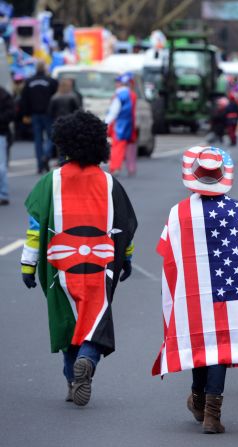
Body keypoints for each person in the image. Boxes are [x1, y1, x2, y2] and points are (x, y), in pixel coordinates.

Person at [20, 111, 137, 406]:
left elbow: (35, 228)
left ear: (64, 143)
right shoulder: (110, 183)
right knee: (96, 318)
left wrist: (28, 264)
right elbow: (125, 226)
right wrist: (127, 258)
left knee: (66, 320)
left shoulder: (51, 181)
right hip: (100, 266)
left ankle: (73, 378)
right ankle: (88, 358)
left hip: (61, 266)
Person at [152, 145, 238, 434]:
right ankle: (212, 414)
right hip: (231, 290)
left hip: (192, 292)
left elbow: (166, 252)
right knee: (221, 348)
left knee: (200, 343)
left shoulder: (178, 213)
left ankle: (200, 400)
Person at [21, 61, 58, 173]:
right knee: (51, 137)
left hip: (34, 114)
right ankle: (46, 156)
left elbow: (24, 100)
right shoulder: (51, 81)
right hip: (48, 114)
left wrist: (25, 114)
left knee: (38, 140)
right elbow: (55, 98)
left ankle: (39, 165)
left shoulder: (29, 82)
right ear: (45, 69)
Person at [105, 73, 136, 176]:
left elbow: (114, 111)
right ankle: (127, 167)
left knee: (117, 147)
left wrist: (106, 123)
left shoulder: (120, 95)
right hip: (128, 124)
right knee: (125, 147)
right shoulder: (131, 94)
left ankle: (115, 167)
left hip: (119, 125)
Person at [0, 84, 15, 206]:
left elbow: (11, 113)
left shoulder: (4, 95)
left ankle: (3, 194)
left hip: (1, 133)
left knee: (1, 167)